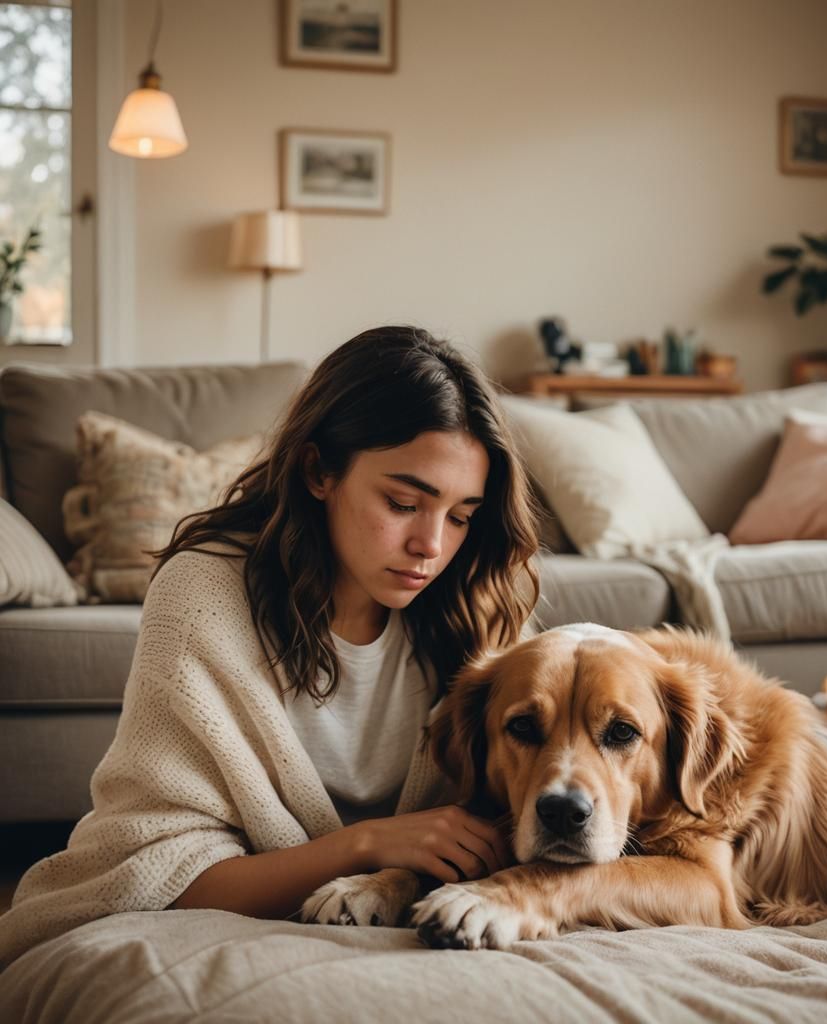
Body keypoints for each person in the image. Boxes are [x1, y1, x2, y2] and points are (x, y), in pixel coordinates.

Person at [0, 326, 541, 967]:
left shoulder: (477, 603)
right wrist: (368, 845)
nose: (431, 545)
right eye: (403, 502)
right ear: (318, 470)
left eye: (460, 516)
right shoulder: (204, 594)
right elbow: (154, 874)